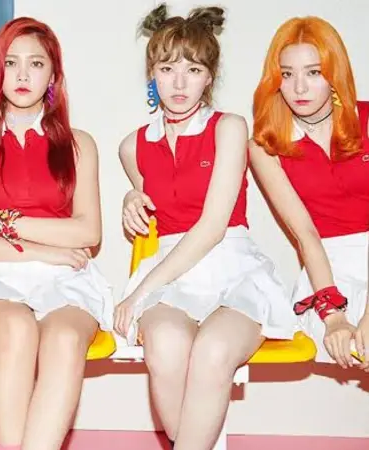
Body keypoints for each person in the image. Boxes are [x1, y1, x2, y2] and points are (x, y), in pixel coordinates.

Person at [113, 4, 297, 449]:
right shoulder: (132, 146)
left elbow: (213, 226)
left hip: (231, 264)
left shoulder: (229, 128)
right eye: (167, 69)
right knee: (164, 344)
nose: (179, 83)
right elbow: (153, 199)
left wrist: (138, 293)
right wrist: (130, 198)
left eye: (192, 70)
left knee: (213, 352)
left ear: (209, 77)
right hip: (172, 271)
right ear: (152, 74)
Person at [0, 17, 112, 450]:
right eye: (11, 63)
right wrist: (41, 249)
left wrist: (1, 223)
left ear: (53, 75)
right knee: (16, 327)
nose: (23, 75)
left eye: (36, 63)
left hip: (66, 276)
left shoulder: (79, 144)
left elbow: (87, 232)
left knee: (65, 337)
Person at [250, 16, 369, 370]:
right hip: (328, 271)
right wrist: (334, 316)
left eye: (314, 72)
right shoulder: (265, 147)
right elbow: (306, 235)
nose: (299, 87)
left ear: (334, 74)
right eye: (287, 74)